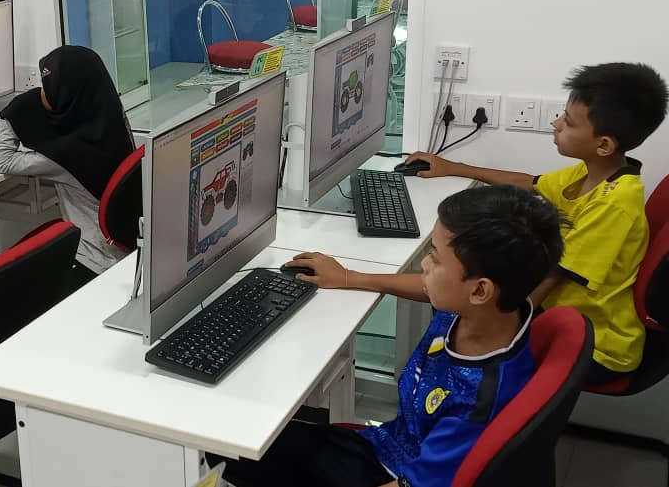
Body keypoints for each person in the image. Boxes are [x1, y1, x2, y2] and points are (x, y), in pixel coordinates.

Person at [216, 185, 564, 487]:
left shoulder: (477, 403)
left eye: (435, 257)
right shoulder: (492, 309)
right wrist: (350, 277)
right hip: (386, 442)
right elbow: (429, 288)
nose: (424, 264)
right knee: (234, 439)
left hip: (389, 472)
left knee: (230, 449)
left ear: (479, 290)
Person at [399, 63, 669, 383]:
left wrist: (497, 331)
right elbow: (530, 183)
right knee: (463, 290)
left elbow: (553, 277)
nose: (556, 124)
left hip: (596, 342)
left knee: (461, 296)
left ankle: (464, 400)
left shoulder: (615, 203)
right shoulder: (592, 173)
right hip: (564, 314)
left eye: (568, 122)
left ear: (604, 145)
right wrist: (453, 167)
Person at [0, 45, 137, 291]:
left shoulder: (64, 157)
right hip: (129, 250)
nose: (41, 92)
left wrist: (12, 112)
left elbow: (2, 160)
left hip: (94, 263)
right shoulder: (114, 119)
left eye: (47, 88)